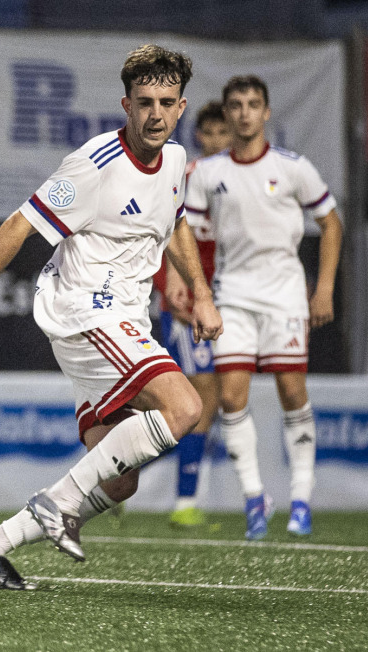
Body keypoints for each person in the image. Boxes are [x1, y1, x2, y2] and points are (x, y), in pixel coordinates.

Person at [0, 45, 222, 585]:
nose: (155, 114)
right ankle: (59, 504)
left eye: (166, 102)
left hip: (124, 319)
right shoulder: (94, 166)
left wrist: (200, 294)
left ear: (182, 106)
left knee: (119, 481)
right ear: (125, 104)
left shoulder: (179, 162)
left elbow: (177, 222)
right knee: (185, 408)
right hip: (87, 313)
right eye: (144, 102)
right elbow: (20, 224)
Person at [183, 75, 342, 540]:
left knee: (292, 392)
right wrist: (190, 288)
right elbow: (185, 234)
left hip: (286, 295)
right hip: (232, 294)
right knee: (231, 397)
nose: (245, 112)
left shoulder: (293, 167)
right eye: (236, 105)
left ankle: (302, 500)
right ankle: (254, 498)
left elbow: (331, 223)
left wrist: (325, 287)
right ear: (227, 112)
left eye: (254, 104)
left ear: (267, 112)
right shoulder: (209, 173)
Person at [154, 100, 229, 528]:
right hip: (185, 303)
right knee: (199, 397)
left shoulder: (237, 182)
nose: (218, 139)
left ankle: (116, 472)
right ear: (199, 135)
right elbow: (161, 234)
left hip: (221, 299)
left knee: (207, 401)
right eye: (211, 132)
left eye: (225, 133)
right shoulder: (184, 176)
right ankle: (184, 503)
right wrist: (172, 289)